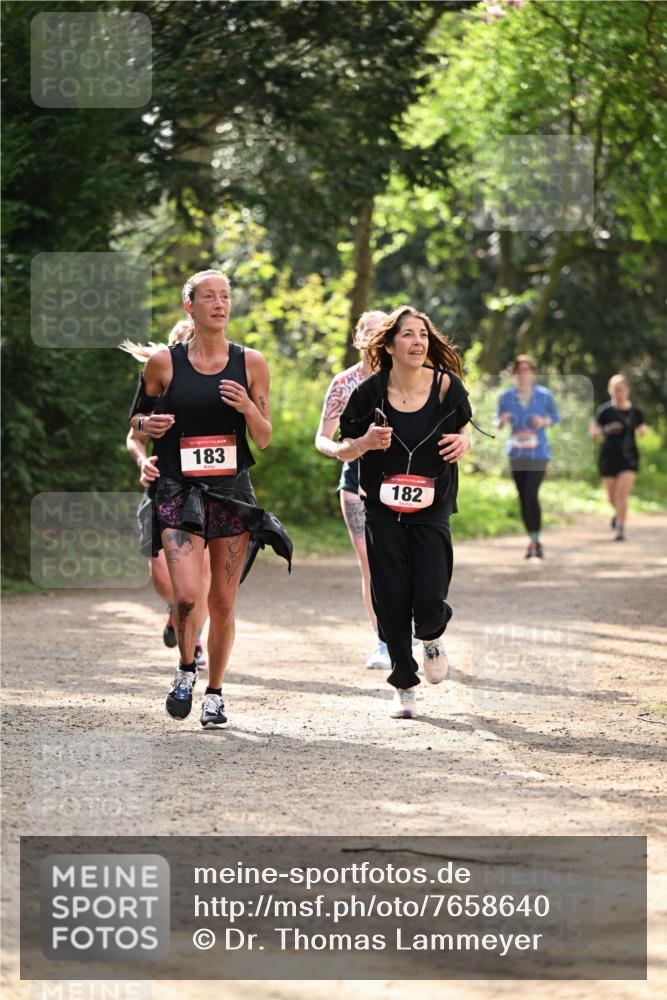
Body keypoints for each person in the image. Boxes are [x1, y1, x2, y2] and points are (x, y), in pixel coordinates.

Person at [129, 268, 291, 728]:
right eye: (209, 297)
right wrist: (149, 428)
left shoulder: (251, 362)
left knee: (222, 604)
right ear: (190, 306)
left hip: (230, 494)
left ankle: (215, 693)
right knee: (185, 597)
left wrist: (246, 409)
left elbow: (263, 438)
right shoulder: (164, 363)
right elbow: (135, 423)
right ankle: (184, 670)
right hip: (179, 491)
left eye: (225, 297)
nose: (220, 304)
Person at [337, 305, 473, 719]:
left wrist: (464, 443)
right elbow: (342, 447)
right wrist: (364, 444)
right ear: (390, 345)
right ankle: (404, 684)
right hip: (381, 508)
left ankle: (431, 636)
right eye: (409, 335)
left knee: (430, 597)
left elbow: (465, 427)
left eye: (423, 335)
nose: (418, 342)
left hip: (433, 505)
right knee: (391, 597)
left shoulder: (447, 386)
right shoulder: (369, 393)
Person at [124, 319, 210, 668]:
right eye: (178, 343)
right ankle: (175, 610)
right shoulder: (156, 382)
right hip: (161, 488)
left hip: (205, 490)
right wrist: (143, 461)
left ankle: (196, 639)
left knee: (200, 573)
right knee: (163, 577)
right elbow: (134, 435)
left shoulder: (214, 385)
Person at [315, 311, 395, 669]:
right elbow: (322, 435)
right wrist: (339, 450)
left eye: (383, 330)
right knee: (371, 565)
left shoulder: (406, 379)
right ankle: (384, 641)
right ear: (357, 336)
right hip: (356, 482)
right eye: (368, 329)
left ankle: (407, 629)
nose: (374, 335)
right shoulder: (344, 383)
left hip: (401, 484)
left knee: (403, 563)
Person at [496, 355, 560, 559]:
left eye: (527, 369)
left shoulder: (544, 395)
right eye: (519, 370)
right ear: (514, 374)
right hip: (516, 453)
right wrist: (501, 420)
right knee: (523, 497)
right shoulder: (506, 397)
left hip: (539, 453)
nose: (523, 373)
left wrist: (543, 421)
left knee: (532, 494)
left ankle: (536, 539)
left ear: (533, 373)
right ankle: (533, 541)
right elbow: (497, 421)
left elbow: (555, 417)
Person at [590, 374, 647, 541]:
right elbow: (593, 432)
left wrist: (643, 431)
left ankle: (620, 528)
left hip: (629, 457)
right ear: (610, 391)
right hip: (608, 457)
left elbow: (642, 427)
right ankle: (618, 514)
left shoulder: (635, 412)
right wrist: (607, 429)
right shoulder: (605, 411)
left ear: (627, 390)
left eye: (621, 389)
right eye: (615, 389)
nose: (618, 392)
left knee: (622, 494)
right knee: (612, 497)